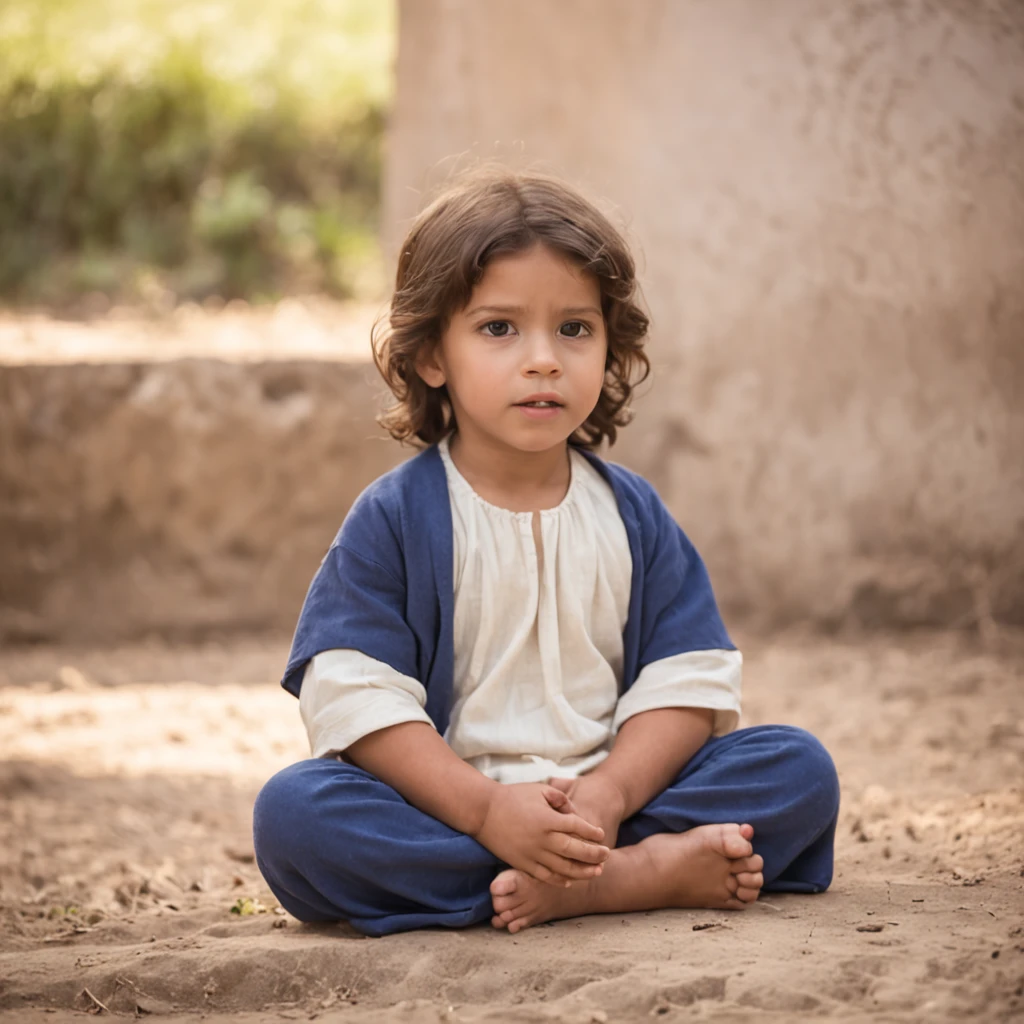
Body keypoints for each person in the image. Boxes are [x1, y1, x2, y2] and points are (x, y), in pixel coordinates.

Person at [252, 168, 840, 938]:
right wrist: (490, 810)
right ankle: (629, 872)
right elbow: (355, 698)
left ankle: (584, 875)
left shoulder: (633, 514)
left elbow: (685, 682)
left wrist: (606, 798)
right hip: (453, 810)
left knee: (798, 769)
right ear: (432, 356)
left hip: (615, 802)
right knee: (296, 817)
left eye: (574, 328)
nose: (543, 360)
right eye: (499, 328)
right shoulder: (396, 519)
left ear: (610, 348)